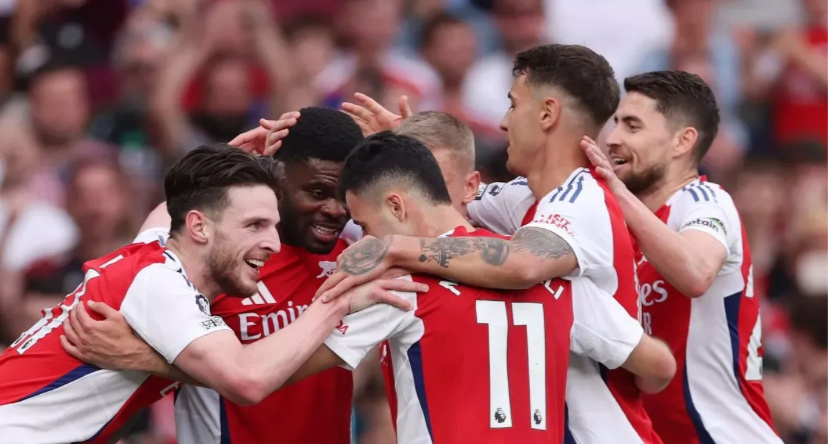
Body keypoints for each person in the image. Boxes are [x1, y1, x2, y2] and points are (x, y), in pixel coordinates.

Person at [64, 132, 658, 444]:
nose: (362, 240)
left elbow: (259, 375)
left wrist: (145, 357)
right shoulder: (553, 278)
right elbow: (657, 367)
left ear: (396, 206)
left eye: (366, 224)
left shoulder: (400, 285)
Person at [319, 45, 669, 443]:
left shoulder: (583, 200)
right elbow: (442, 200)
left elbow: (521, 263)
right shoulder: (521, 197)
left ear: (548, 113)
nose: (503, 122)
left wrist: (393, 247)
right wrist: (408, 155)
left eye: (513, 104)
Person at [0, 144, 414, 443]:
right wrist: (337, 301)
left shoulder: (155, 250)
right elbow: (247, 380)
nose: (273, 243)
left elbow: (171, 210)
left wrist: (229, 157)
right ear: (199, 227)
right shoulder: (159, 283)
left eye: (273, 225)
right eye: (254, 225)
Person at [580, 70, 782, 444]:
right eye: (616, 123)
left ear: (682, 141)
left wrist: (616, 191)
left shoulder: (706, 201)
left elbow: (696, 272)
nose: (613, 138)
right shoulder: (617, 225)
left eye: (632, 126)